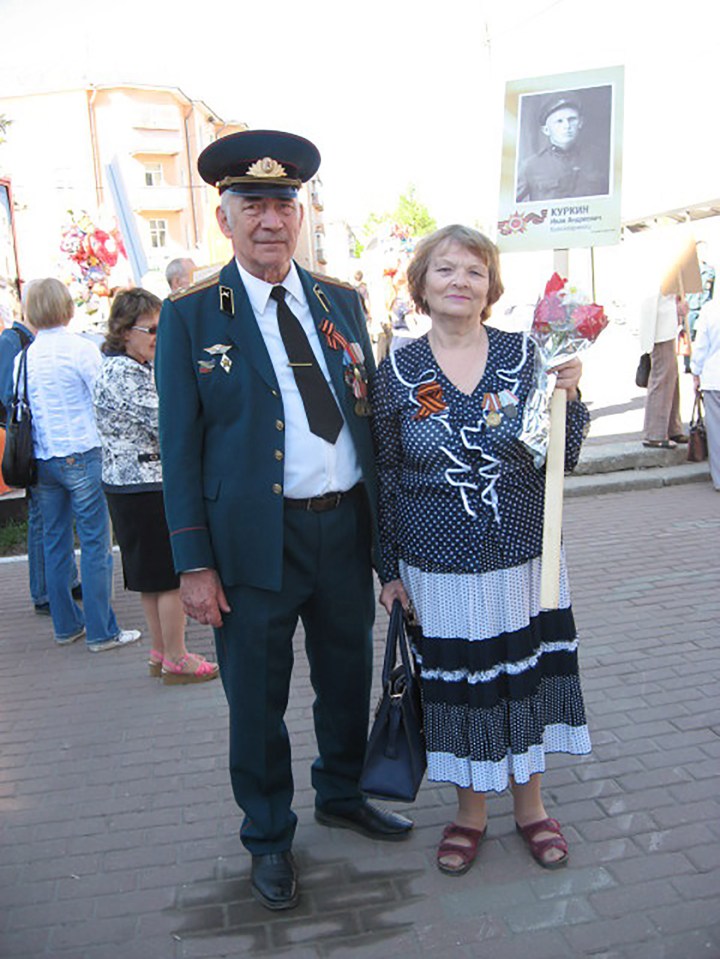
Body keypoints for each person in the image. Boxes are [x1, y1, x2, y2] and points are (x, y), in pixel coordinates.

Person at [154, 129, 412, 912]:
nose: (270, 219)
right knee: (256, 700)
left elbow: (368, 418)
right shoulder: (194, 314)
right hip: (251, 546)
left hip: (342, 529)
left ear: (299, 215)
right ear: (224, 218)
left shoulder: (340, 300)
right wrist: (193, 565)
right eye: (252, 205)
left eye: (283, 204)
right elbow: (180, 449)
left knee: (345, 678)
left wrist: (386, 545)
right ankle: (268, 833)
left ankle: (339, 791)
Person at [372, 224, 591, 876]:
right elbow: (385, 472)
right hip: (438, 567)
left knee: (520, 680)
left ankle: (531, 805)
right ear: (422, 284)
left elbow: (563, 456)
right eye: (445, 270)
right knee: (458, 689)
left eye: (473, 271)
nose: (459, 282)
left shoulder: (528, 356)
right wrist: (388, 568)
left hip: (522, 556)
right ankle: (469, 812)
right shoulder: (398, 371)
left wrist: (569, 396)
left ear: (490, 286)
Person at [94, 288, 219, 683]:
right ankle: (177, 658)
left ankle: (161, 651)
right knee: (166, 578)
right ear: (123, 331)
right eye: (152, 330)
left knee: (150, 578)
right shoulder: (123, 374)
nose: (159, 337)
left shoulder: (131, 367)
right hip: (144, 486)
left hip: (130, 486)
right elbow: (169, 421)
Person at [18, 278, 141, 651]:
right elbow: (103, 397)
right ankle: (102, 630)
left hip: (43, 460)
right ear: (67, 306)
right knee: (94, 543)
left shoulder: (25, 357)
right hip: (84, 452)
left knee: (54, 543)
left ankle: (65, 625)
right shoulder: (81, 349)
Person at [0, 285, 80, 613]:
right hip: (32, 446)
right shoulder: (13, 343)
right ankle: (44, 590)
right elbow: (10, 395)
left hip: (43, 444)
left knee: (52, 518)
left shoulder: (28, 343)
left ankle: (61, 584)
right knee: (40, 519)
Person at [516, 96, 609, 203]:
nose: (567, 126)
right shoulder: (531, 166)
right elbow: (510, 209)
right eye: (559, 121)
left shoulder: (600, 159)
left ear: (580, 123)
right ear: (546, 130)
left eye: (572, 119)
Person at [640, 291, 688, 448]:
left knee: (671, 377)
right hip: (660, 330)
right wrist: (675, 310)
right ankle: (655, 433)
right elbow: (652, 302)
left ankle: (672, 427)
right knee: (662, 377)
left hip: (666, 328)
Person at [691, 298, 720, 489]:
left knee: (716, 430)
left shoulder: (710, 310)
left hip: (714, 376)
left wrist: (696, 371)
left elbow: (701, 346)